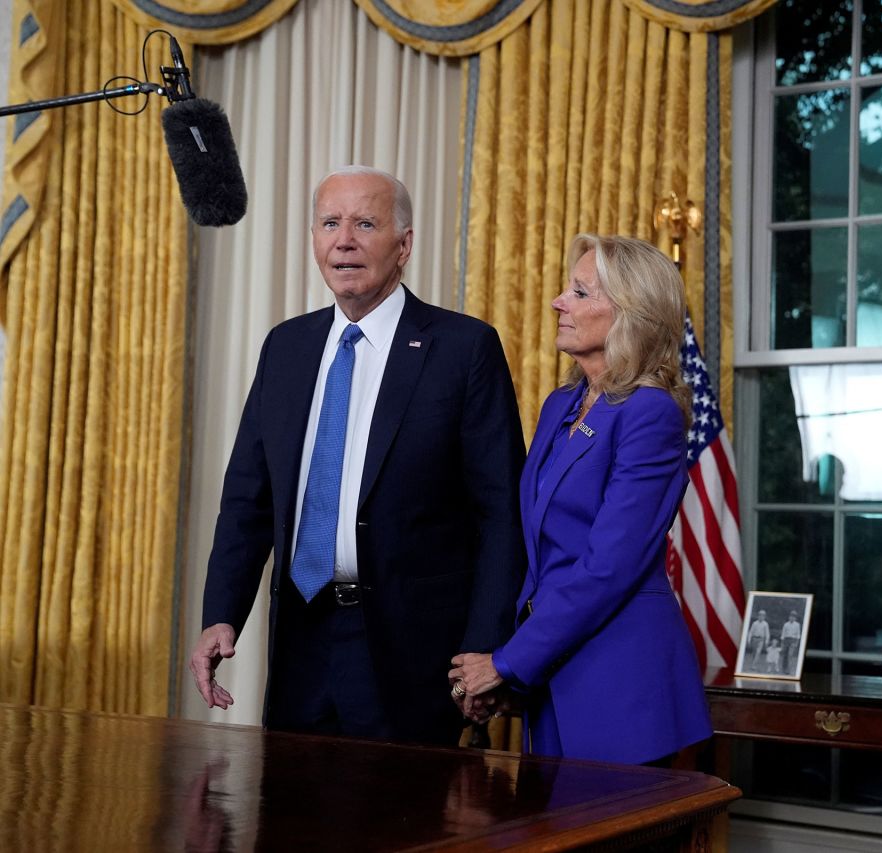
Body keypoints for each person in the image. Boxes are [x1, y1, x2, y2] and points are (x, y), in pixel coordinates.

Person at [188, 166, 526, 745]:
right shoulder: (286, 346)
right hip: (302, 639)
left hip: (414, 653)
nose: (343, 240)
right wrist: (221, 612)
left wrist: (485, 645)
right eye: (329, 223)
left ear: (404, 244)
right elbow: (248, 498)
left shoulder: (464, 349)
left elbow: (501, 514)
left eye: (364, 223)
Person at [447, 234, 712, 765]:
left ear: (631, 314)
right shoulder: (561, 405)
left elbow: (607, 568)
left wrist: (507, 662)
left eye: (580, 292)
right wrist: (513, 676)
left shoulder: (651, 414)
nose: (557, 302)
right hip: (554, 679)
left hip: (623, 689)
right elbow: (540, 557)